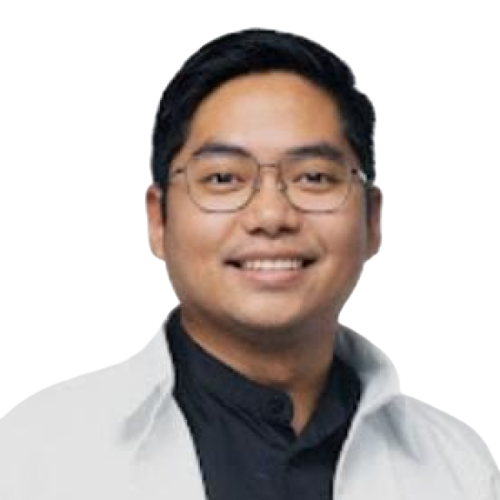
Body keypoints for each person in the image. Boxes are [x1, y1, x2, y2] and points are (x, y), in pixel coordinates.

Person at [0, 27, 497, 500]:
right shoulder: (32, 453)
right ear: (157, 219)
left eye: (314, 177)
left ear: (372, 219)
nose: (271, 216)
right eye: (223, 178)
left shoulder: (459, 467)